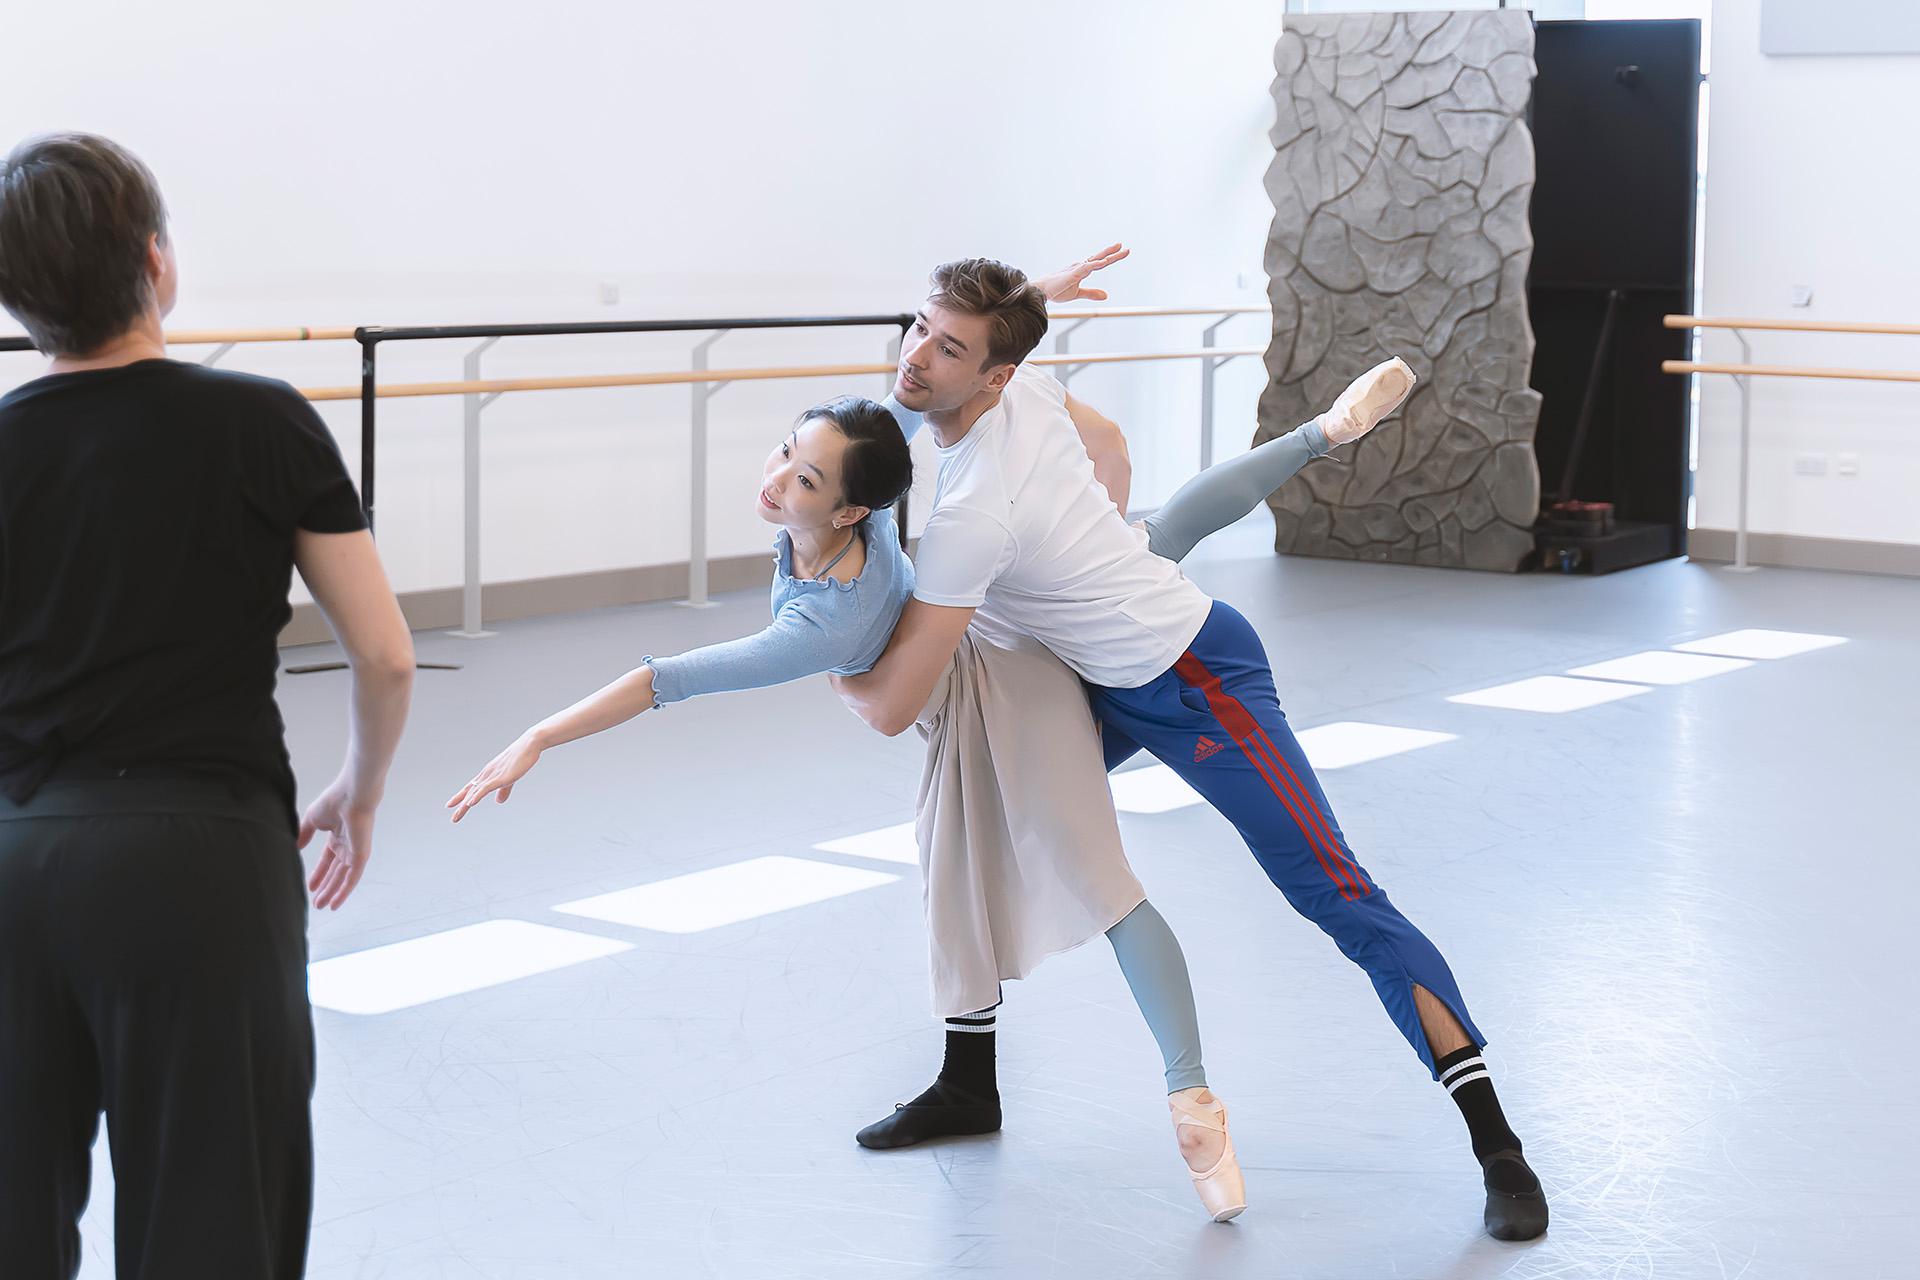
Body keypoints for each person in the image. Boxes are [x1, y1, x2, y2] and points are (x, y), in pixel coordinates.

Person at [832, 257, 1549, 1242]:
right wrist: (1023, 300)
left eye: (947, 345)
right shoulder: (1012, 389)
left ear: (995, 376)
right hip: (1091, 669)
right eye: (918, 327)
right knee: (966, 813)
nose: (917, 355)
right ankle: (969, 1080)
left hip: (1192, 675)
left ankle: (1498, 1142)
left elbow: (894, 699)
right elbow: (1024, 428)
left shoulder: (972, 513)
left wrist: (827, 646)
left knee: (1337, 895)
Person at [0, 133, 415, 1277]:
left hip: (17, 855)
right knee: (213, 1222)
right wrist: (357, 791)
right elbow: (382, 655)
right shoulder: (259, 419)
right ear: (156, 261)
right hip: (202, 860)